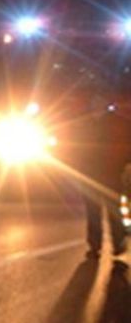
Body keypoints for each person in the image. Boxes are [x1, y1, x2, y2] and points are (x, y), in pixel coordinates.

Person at [68, 92, 131, 260]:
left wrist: (124, 163)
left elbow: (126, 144)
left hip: (111, 173)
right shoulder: (85, 124)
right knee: (93, 212)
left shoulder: (118, 123)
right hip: (91, 175)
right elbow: (75, 147)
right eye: (94, 103)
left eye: (100, 103)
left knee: (113, 211)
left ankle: (118, 245)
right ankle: (95, 246)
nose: (97, 107)